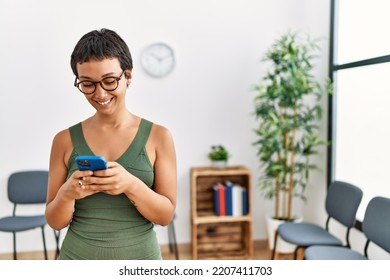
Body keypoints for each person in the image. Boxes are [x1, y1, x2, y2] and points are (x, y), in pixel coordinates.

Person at [45, 28, 177, 260]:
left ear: (128, 75)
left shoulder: (159, 137)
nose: (100, 93)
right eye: (87, 83)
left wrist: (130, 185)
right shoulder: (63, 140)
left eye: (109, 81)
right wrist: (67, 194)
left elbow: (165, 217)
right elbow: (55, 222)